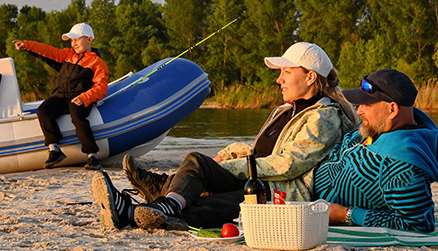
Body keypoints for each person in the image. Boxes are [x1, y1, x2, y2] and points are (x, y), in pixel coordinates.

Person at [92, 42, 358, 230]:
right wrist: (232, 153)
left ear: (311, 77)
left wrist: (229, 167)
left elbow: (288, 164)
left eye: (286, 72)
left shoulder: (323, 117)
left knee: (206, 200)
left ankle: (143, 204)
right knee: (197, 161)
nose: (279, 80)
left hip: (278, 193)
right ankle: (164, 199)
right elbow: (262, 151)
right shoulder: (286, 110)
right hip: (259, 180)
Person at [312, 69, 438, 232]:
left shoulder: (402, 168)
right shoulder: (379, 126)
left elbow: (418, 224)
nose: (359, 111)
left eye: (367, 104)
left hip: (306, 204)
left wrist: (346, 215)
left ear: (392, 110)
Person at [13, 23, 109, 170]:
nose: (73, 43)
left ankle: (92, 156)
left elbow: (101, 87)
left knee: (77, 116)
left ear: (89, 40)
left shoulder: (97, 63)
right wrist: (26, 45)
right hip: (60, 95)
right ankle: (54, 150)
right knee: (43, 111)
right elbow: (47, 51)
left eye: (76, 39)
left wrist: (85, 97)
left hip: (79, 97)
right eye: (71, 40)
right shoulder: (67, 55)